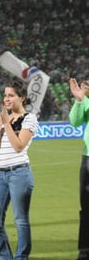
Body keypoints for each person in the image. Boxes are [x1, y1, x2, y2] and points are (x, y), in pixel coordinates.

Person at [0, 79, 39, 260]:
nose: (6, 99)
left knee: (20, 220)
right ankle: (6, 257)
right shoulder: (5, 119)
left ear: (22, 98)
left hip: (19, 173)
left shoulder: (30, 118)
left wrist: (6, 124)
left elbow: (19, 146)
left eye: (11, 95)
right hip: (0, 173)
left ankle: (21, 257)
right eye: (5, 96)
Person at [68, 78, 89, 260]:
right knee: (86, 206)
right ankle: (85, 250)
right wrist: (79, 100)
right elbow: (75, 122)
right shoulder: (86, 99)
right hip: (88, 157)